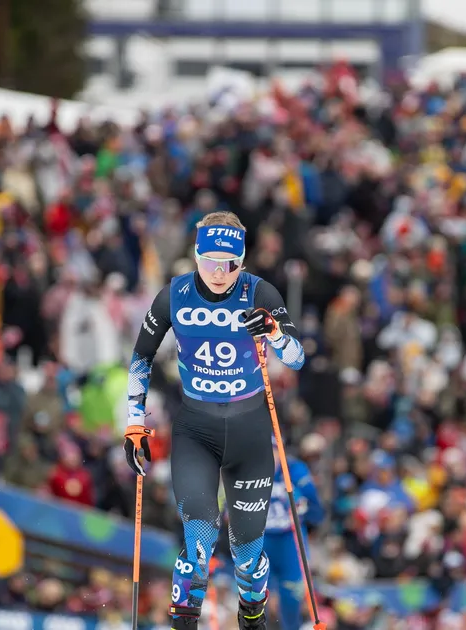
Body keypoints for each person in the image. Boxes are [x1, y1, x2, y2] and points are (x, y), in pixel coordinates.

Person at [122, 211, 306, 630]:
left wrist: (276, 332)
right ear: (195, 256)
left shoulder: (260, 292)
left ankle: (253, 617)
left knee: (247, 558)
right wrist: (134, 421)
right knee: (198, 545)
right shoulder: (175, 294)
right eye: (209, 262)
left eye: (230, 264)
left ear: (242, 261)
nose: (219, 274)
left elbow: (296, 358)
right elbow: (141, 358)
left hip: (250, 432)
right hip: (196, 430)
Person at [262, 437, 324, 630]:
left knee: (291, 595)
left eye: (273, 452)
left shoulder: (295, 470)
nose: (270, 458)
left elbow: (317, 510)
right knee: (259, 596)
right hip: (261, 539)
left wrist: (302, 501)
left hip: (290, 539)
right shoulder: (249, 470)